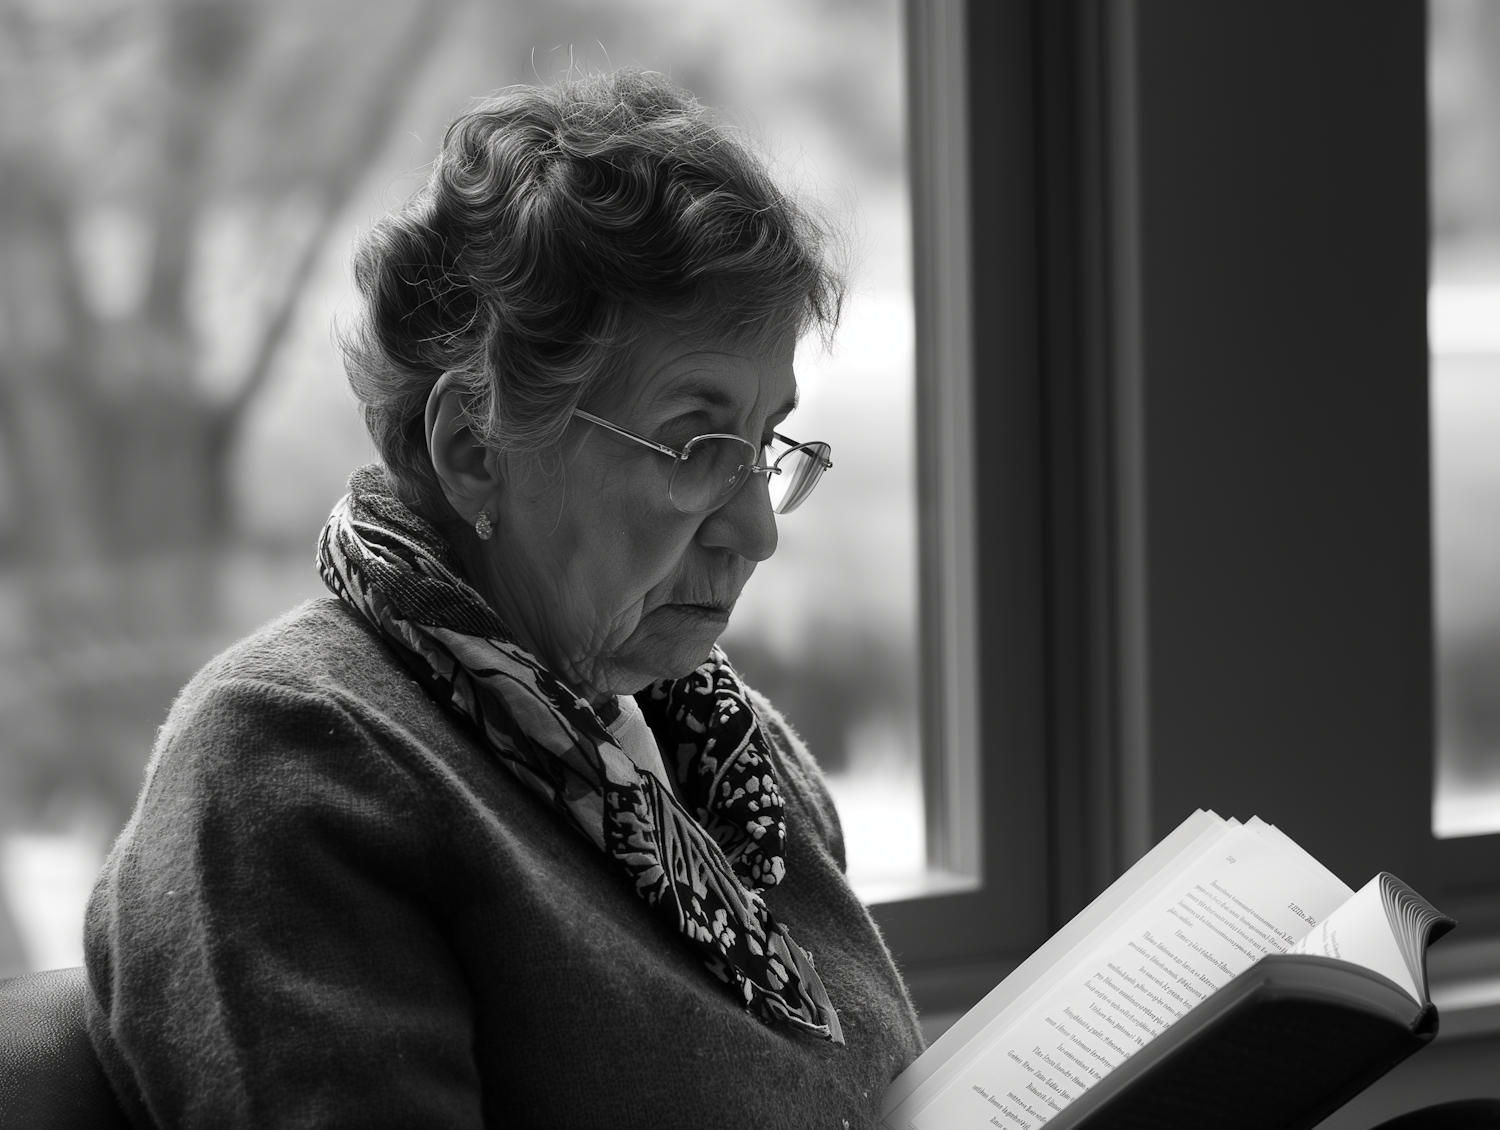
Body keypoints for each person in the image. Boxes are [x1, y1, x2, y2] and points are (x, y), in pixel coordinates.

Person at [81, 70, 924, 1128]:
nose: (756, 529)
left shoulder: (732, 753)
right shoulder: (292, 763)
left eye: (762, 445)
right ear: (476, 449)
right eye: (694, 442)